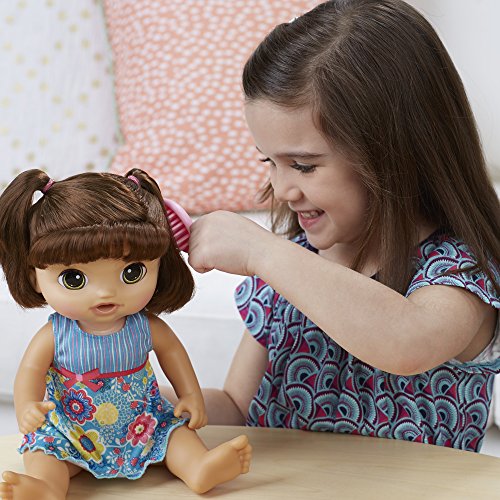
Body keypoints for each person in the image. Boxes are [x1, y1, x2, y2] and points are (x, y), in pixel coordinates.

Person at [164, 0, 500, 452]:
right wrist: (152, 404)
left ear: (393, 154)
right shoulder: (289, 268)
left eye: (303, 166)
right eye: (270, 162)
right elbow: (236, 408)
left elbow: (407, 341)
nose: (282, 189)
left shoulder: (460, 270)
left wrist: (262, 251)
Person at [0, 169, 251, 499]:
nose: (106, 293)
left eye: (132, 272)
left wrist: (190, 394)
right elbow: (30, 372)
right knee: (43, 450)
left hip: (142, 425)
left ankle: (199, 467)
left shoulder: (145, 326)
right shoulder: (55, 335)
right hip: (72, 431)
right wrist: (27, 407)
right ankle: (47, 486)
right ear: (35, 278)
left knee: (176, 436)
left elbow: (172, 353)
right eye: (74, 279)